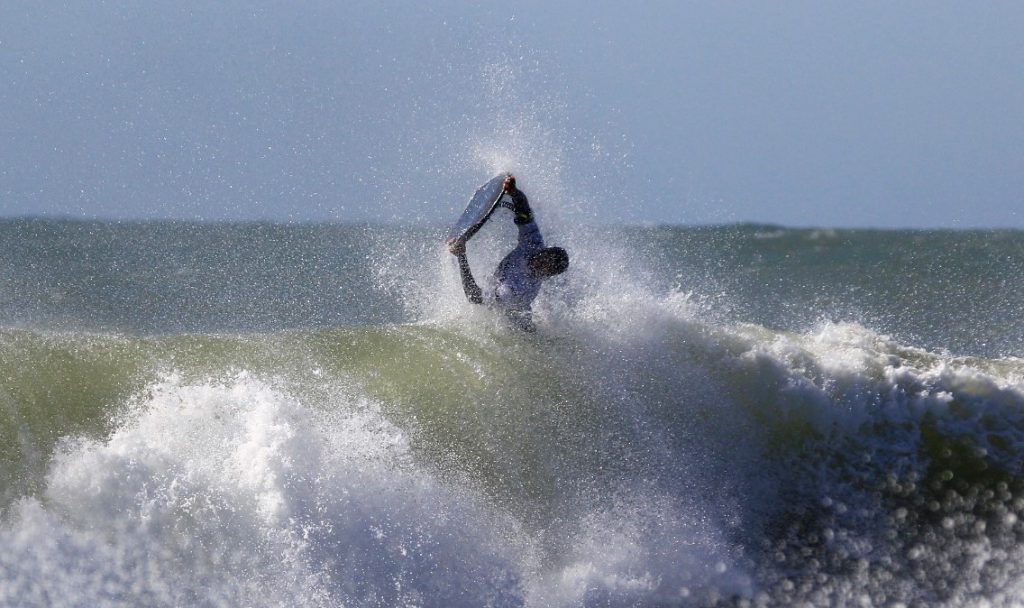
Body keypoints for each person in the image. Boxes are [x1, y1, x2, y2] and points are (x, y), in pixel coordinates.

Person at [447, 174, 569, 331]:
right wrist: (514, 192)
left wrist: (461, 256)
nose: (539, 261)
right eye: (543, 257)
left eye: (545, 266)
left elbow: (474, 297)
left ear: (546, 275)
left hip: (515, 325)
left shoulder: (517, 290)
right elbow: (525, 213)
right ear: (544, 251)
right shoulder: (533, 244)